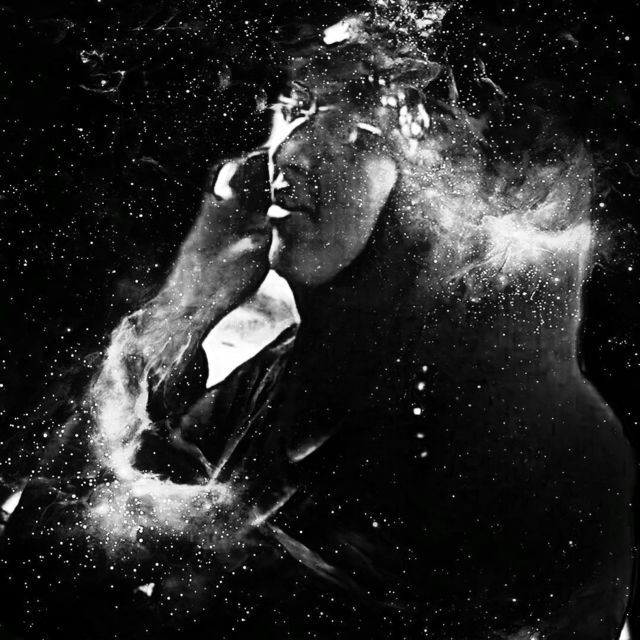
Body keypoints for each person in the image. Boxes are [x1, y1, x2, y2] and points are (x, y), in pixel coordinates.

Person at [1, 10, 635, 640]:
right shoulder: (272, 384)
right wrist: (182, 306)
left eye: (358, 126)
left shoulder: (552, 446)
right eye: (297, 107)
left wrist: (222, 548)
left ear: (447, 188)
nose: (289, 151)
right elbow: (61, 528)